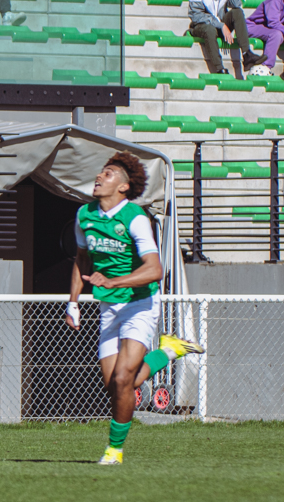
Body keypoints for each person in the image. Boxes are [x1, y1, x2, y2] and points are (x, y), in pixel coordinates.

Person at [64, 152, 203, 466]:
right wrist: (73, 301)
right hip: (108, 307)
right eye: (101, 171)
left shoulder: (135, 218)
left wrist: (113, 281)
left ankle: (114, 451)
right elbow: (82, 259)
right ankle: (167, 351)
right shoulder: (84, 215)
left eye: (109, 173)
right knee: (115, 386)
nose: (100, 176)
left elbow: (155, 270)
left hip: (140, 303)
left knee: (124, 377)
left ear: (124, 187)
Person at [188, 0, 268, 75]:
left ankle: (247, 54)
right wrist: (221, 25)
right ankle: (219, 68)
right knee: (209, 29)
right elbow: (197, 17)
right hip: (201, 27)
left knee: (237, 12)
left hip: (220, 26)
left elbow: (236, 4)